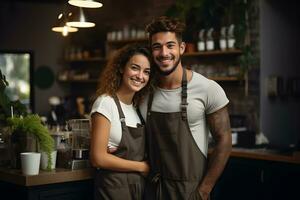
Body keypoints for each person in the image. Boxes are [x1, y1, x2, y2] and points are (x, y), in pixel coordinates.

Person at [139, 16, 232, 200]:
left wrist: (204, 191)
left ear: (181, 48)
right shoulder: (143, 92)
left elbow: (225, 140)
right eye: (157, 47)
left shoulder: (207, 88)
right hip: (152, 191)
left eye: (170, 45)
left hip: (191, 193)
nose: (164, 53)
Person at [90, 43, 152, 200]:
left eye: (146, 72)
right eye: (135, 68)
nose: (140, 76)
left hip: (138, 190)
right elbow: (98, 157)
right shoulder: (106, 103)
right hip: (112, 189)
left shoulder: (138, 109)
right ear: (121, 68)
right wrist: (141, 167)